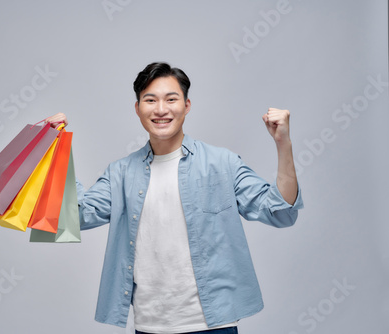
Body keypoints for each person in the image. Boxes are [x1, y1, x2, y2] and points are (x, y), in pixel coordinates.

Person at [45, 62, 303, 334]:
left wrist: (282, 143)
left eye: (171, 99)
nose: (160, 109)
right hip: (148, 326)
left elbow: (281, 212)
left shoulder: (221, 163)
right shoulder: (120, 174)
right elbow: (73, 216)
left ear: (187, 105)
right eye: (150, 100)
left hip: (213, 326)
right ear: (137, 109)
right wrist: (57, 148)